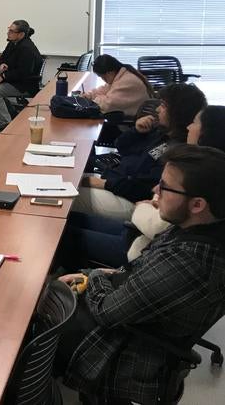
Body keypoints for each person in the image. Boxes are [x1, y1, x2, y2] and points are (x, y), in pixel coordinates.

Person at [57, 145, 225, 404]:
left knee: (19, 325)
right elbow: (139, 271)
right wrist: (99, 277)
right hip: (135, 315)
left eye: (165, 187)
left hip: (126, 349)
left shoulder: (189, 261)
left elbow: (106, 311)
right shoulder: (194, 230)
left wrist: (94, 275)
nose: (156, 191)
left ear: (198, 204)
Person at [60, 104, 225, 270]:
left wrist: (143, 205)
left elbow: (155, 222)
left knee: (62, 225)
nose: (190, 126)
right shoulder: (166, 139)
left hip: (140, 246)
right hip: (135, 230)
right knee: (68, 222)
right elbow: (125, 151)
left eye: (195, 123)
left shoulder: (195, 173)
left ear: (208, 132)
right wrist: (136, 131)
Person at [74, 82, 206, 220]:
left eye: (164, 106)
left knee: (67, 197)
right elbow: (121, 146)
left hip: (131, 200)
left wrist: (104, 184)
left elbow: (144, 189)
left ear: (178, 113)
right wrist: (136, 131)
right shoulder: (161, 132)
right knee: (66, 180)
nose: (157, 110)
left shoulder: (178, 152)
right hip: (115, 182)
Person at [0, 19, 43, 130]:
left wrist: (3, 76)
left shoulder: (27, 48)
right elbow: (1, 59)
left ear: (21, 34)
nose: (8, 33)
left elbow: (24, 73)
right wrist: (2, 64)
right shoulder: (12, 43)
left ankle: (5, 125)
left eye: (11, 31)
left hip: (25, 84)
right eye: (9, 30)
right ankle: (12, 115)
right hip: (15, 81)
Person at [82, 54, 154, 116]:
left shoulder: (127, 81)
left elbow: (108, 105)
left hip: (133, 124)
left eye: (103, 77)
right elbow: (105, 89)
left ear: (109, 73)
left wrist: (95, 99)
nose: (103, 80)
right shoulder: (121, 75)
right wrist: (89, 95)